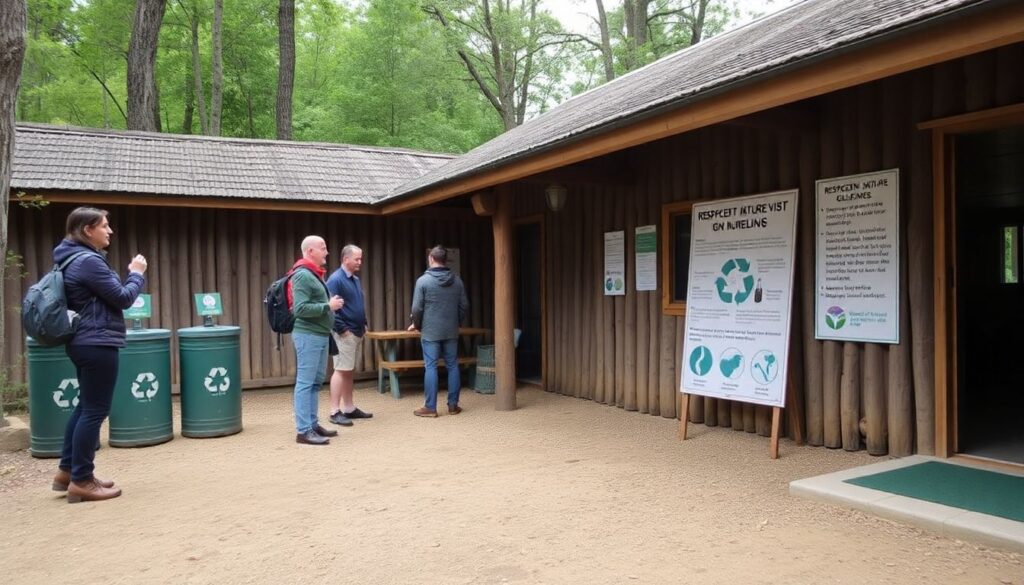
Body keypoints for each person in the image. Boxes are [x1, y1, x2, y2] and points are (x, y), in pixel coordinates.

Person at [52, 207, 147, 503]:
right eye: (104, 226)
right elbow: (123, 298)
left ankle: (67, 472)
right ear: (86, 230)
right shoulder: (88, 262)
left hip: (84, 341)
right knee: (94, 410)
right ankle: (81, 480)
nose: (110, 231)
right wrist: (136, 274)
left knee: (85, 407)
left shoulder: (69, 258)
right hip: (97, 341)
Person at [290, 235, 344, 445]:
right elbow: (300, 309)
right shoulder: (303, 275)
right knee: (305, 383)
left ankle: (312, 424)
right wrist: (327, 307)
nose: (327, 252)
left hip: (319, 334)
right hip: (308, 335)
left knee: (314, 383)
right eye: (323, 248)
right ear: (310, 251)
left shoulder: (315, 274)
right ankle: (303, 431)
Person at [409, 245, 469, 417]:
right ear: (445, 260)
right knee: (452, 365)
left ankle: (430, 407)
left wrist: (417, 325)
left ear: (431, 259)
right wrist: (457, 321)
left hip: (430, 331)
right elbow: (464, 305)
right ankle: (453, 406)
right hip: (451, 330)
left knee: (431, 367)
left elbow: (417, 308)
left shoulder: (423, 281)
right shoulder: (457, 280)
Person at [326, 244, 373, 426]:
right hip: (345, 333)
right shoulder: (336, 279)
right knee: (340, 370)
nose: (360, 262)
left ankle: (349, 408)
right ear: (346, 259)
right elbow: (329, 307)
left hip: (356, 330)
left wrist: (364, 323)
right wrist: (342, 328)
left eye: (360, 259)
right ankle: (334, 411)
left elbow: (358, 303)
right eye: (357, 259)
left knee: (348, 370)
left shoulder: (354, 279)